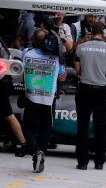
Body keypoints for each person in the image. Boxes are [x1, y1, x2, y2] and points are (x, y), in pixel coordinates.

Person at [21, 29, 67, 173]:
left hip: (31, 97)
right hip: (47, 100)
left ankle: (35, 152)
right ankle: (40, 152)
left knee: (28, 128)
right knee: (45, 129)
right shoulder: (55, 58)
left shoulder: (27, 54)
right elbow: (62, 77)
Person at [74, 22, 106, 170]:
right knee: (99, 127)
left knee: (82, 126)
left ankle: (82, 162)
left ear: (92, 31)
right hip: (100, 90)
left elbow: (78, 70)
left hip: (84, 89)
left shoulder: (80, 47)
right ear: (103, 33)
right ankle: (99, 162)